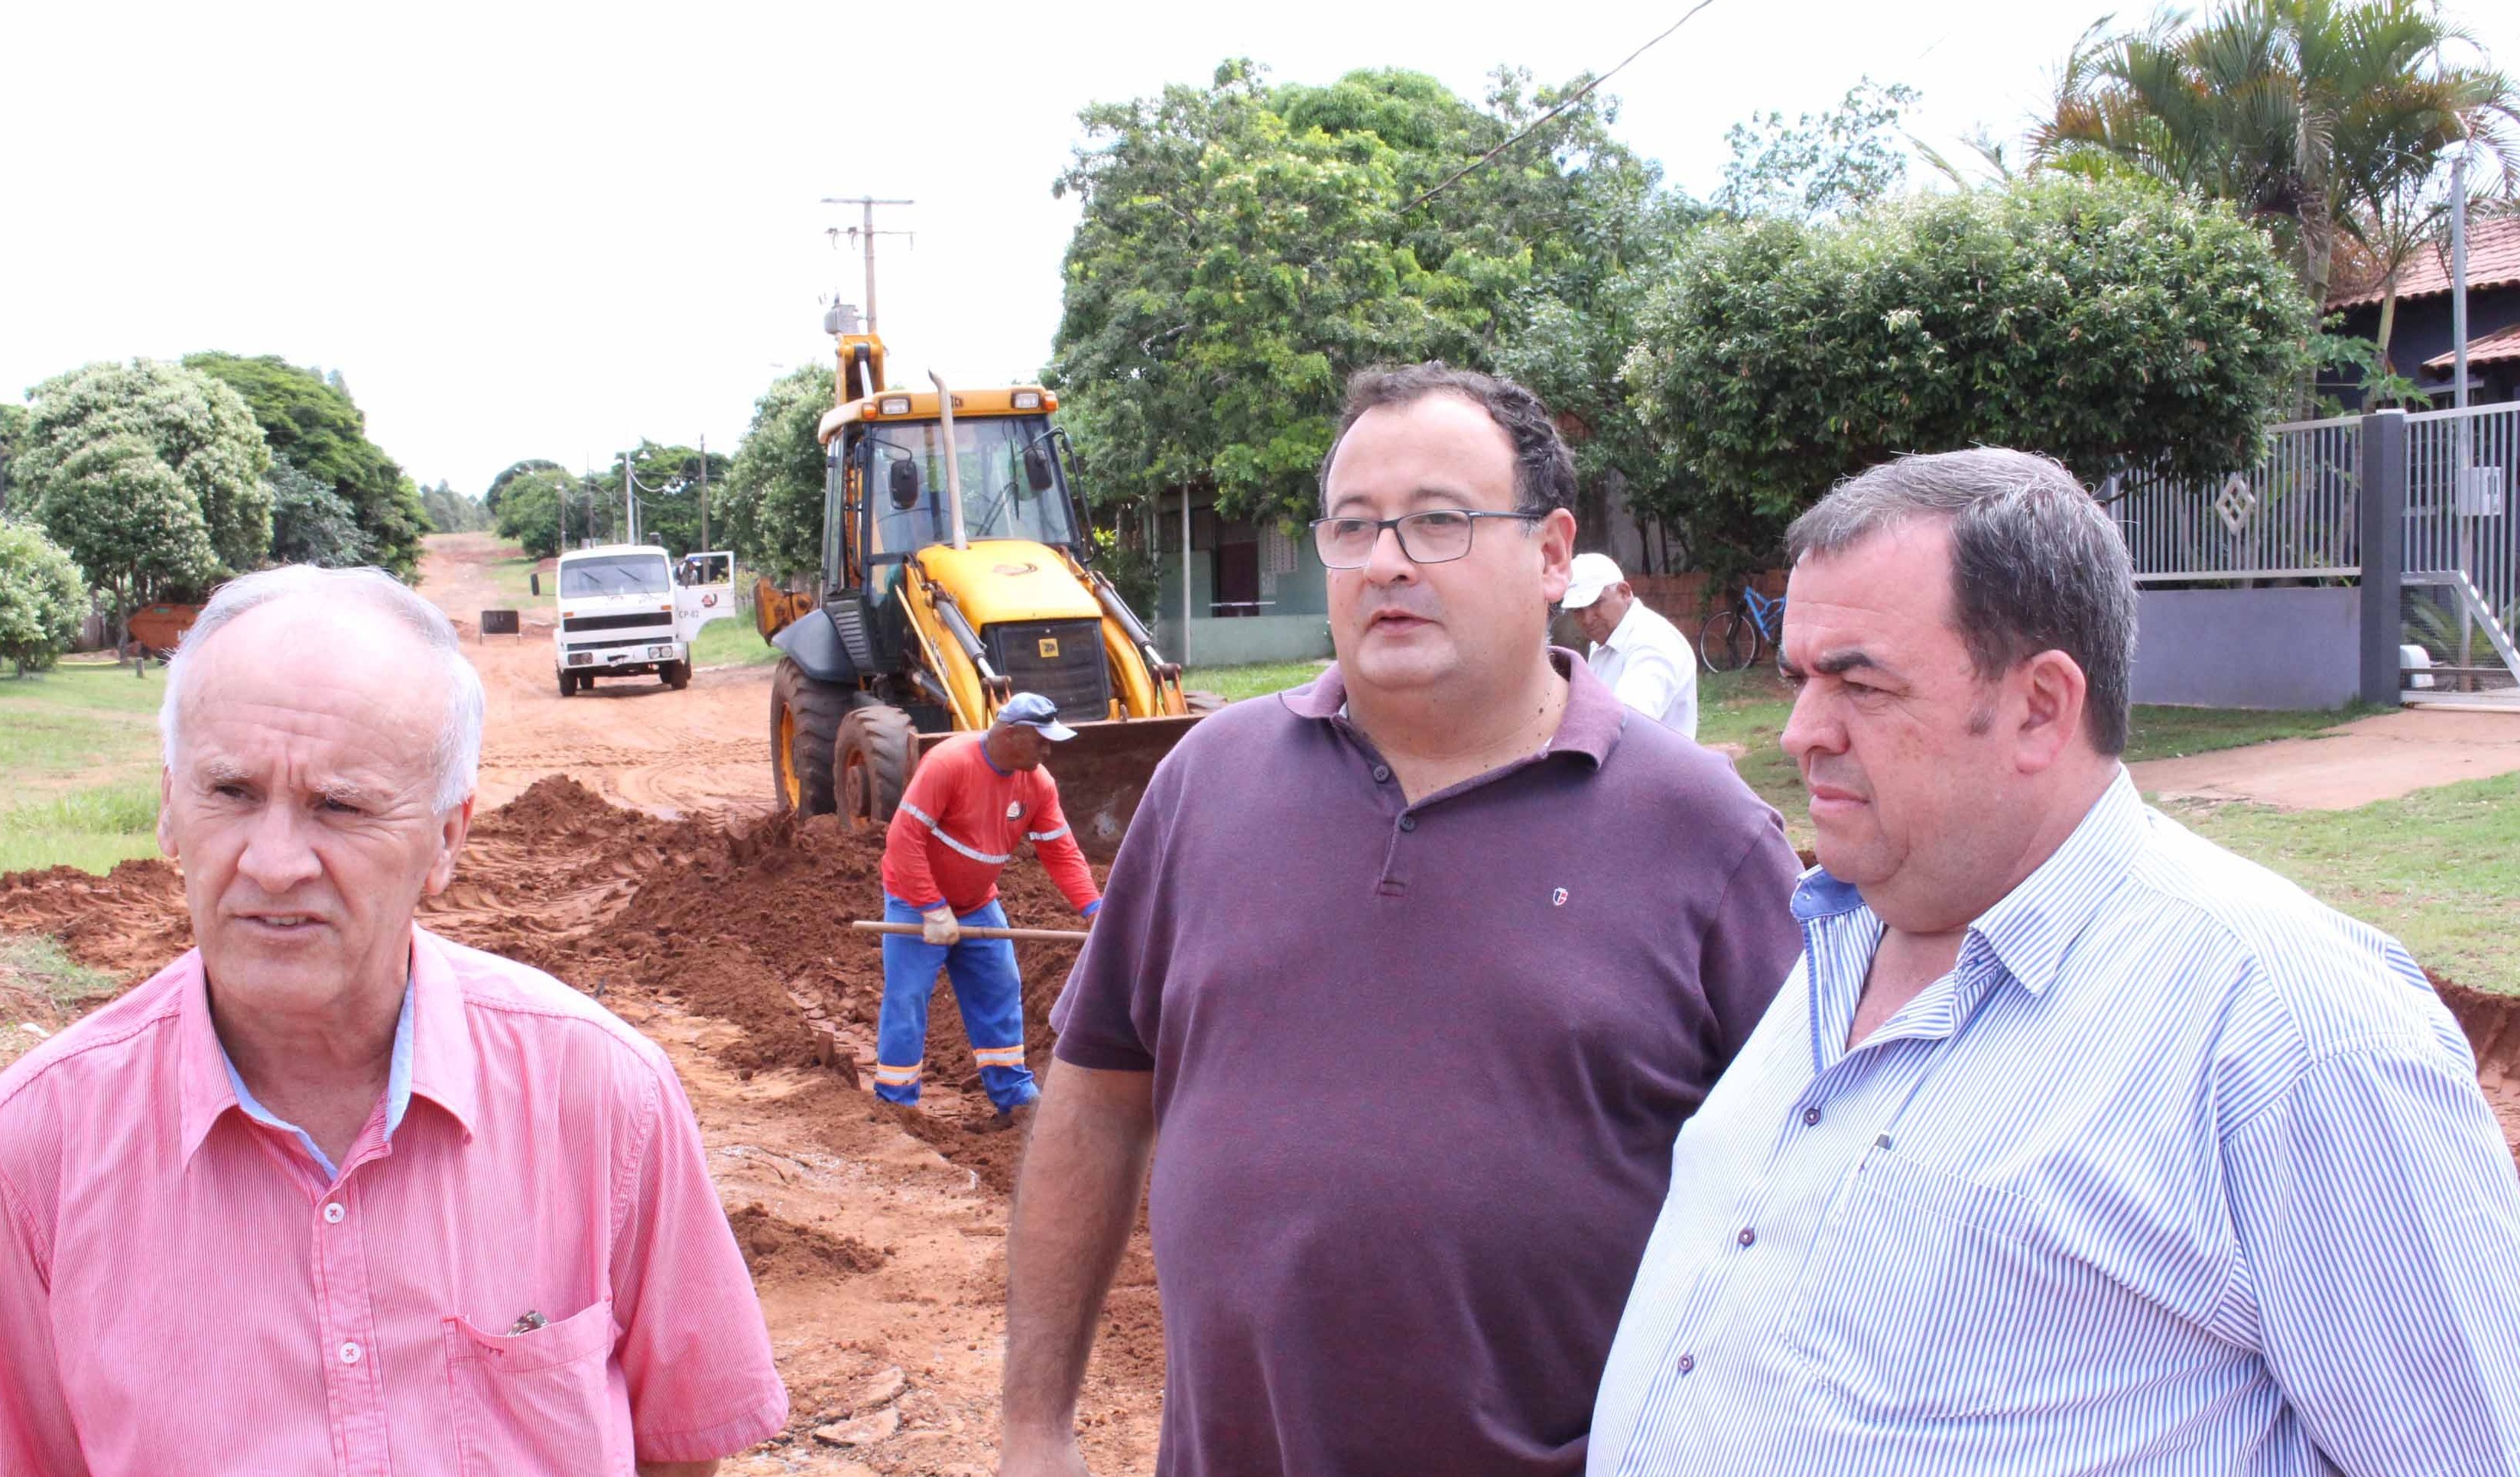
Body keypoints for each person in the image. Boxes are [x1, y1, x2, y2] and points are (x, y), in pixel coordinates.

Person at [1587, 449, 2520, 1475]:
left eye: (1858, 682)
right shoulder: (1841, 932)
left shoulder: (2292, 1035)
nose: (1800, 733)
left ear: (2039, 706)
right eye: (1798, 679)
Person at [1000, 364, 1804, 1476]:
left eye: (1437, 522)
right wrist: (1035, 1428)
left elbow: (1813, 1198)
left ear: (1552, 555)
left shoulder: (1705, 836)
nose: (1385, 562)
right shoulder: (1206, 785)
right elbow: (1095, 1100)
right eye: (1352, 527)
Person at [0, 566, 785, 1476]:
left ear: (446, 839)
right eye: (230, 792)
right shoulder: (36, 1151)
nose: (276, 863)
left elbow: (677, 1450)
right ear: (169, 809)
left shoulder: (605, 1095)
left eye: (340, 805)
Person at [875, 692, 1102, 1118]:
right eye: (1041, 741)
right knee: (907, 997)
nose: (1048, 751)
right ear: (1011, 734)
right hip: (914, 902)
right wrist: (932, 907)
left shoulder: (1038, 783)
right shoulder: (949, 764)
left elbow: (1060, 851)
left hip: (978, 903)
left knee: (1001, 987)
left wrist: (1095, 910)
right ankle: (895, 1102)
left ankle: (1013, 1094)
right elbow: (903, 839)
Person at [1562, 552, 1698, 739]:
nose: (1587, 619)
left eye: (1596, 604)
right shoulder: (1606, 641)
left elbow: (1626, 725)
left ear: (1624, 592)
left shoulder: (1653, 641)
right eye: (1577, 610)